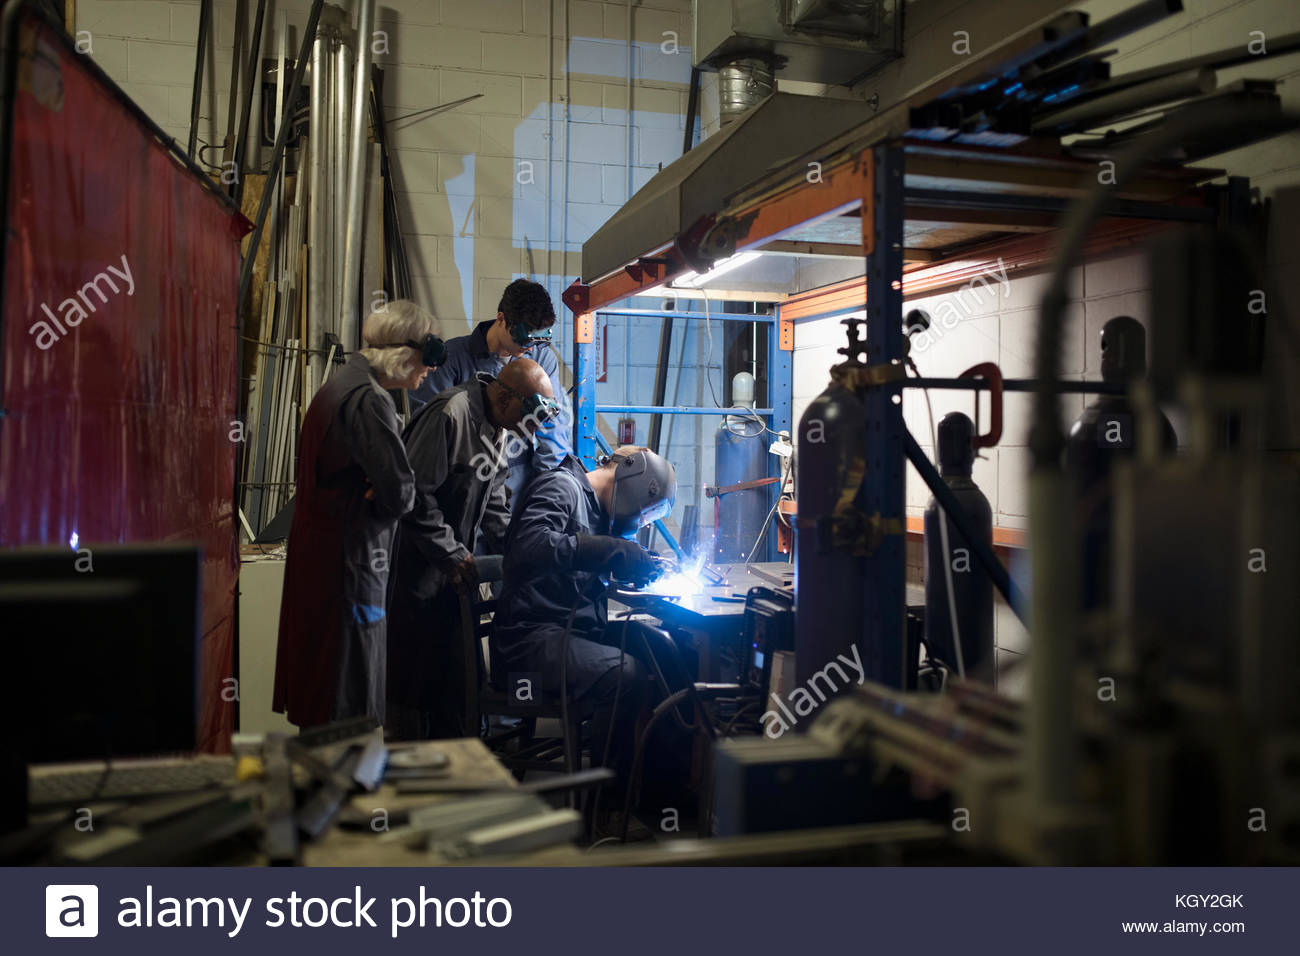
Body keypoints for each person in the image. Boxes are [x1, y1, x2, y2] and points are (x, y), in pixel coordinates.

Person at [273, 300, 443, 729]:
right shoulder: (369, 401)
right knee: (348, 700)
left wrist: (380, 485)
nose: (430, 371)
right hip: (350, 568)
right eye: (427, 359)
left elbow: (384, 483)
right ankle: (345, 790)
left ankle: (330, 786)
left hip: (325, 564)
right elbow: (402, 492)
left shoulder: (338, 386)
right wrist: (386, 487)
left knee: (324, 691)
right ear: (404, 352)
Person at [388, 358, 560, 739]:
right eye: (526, 415)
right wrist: (451, 553)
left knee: (455, 686)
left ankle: (455, 774)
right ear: (504, 394)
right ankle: (408, 780)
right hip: (413, 578)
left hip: (449, 579)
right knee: (412, 689)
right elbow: (413, 496)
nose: (526, 430)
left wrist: (519, 552)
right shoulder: (451, 414)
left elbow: (495, 503)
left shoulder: (499, 426)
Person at [490, 446, 678, 778]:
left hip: (565, 632)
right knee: (625, 675)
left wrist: (632, 565)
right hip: (527, 644)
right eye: (646, 514)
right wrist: (609, 549)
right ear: (635, 481)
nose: (640, 522)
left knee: (659, 648)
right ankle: (604, 802)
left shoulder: (596, 512)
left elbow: (580, 567)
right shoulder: (561, 487)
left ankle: (654, 787)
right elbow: (528, 546)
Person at [408, 278, 569, 507]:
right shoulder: (454, 358)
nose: (530, 349)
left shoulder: (541, 358)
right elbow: (427, 428)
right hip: (463, 482)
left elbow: (552, 427)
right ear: (501, 318)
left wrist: (545, 491)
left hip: (518, 483)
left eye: (537, 341)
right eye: (523, 339)